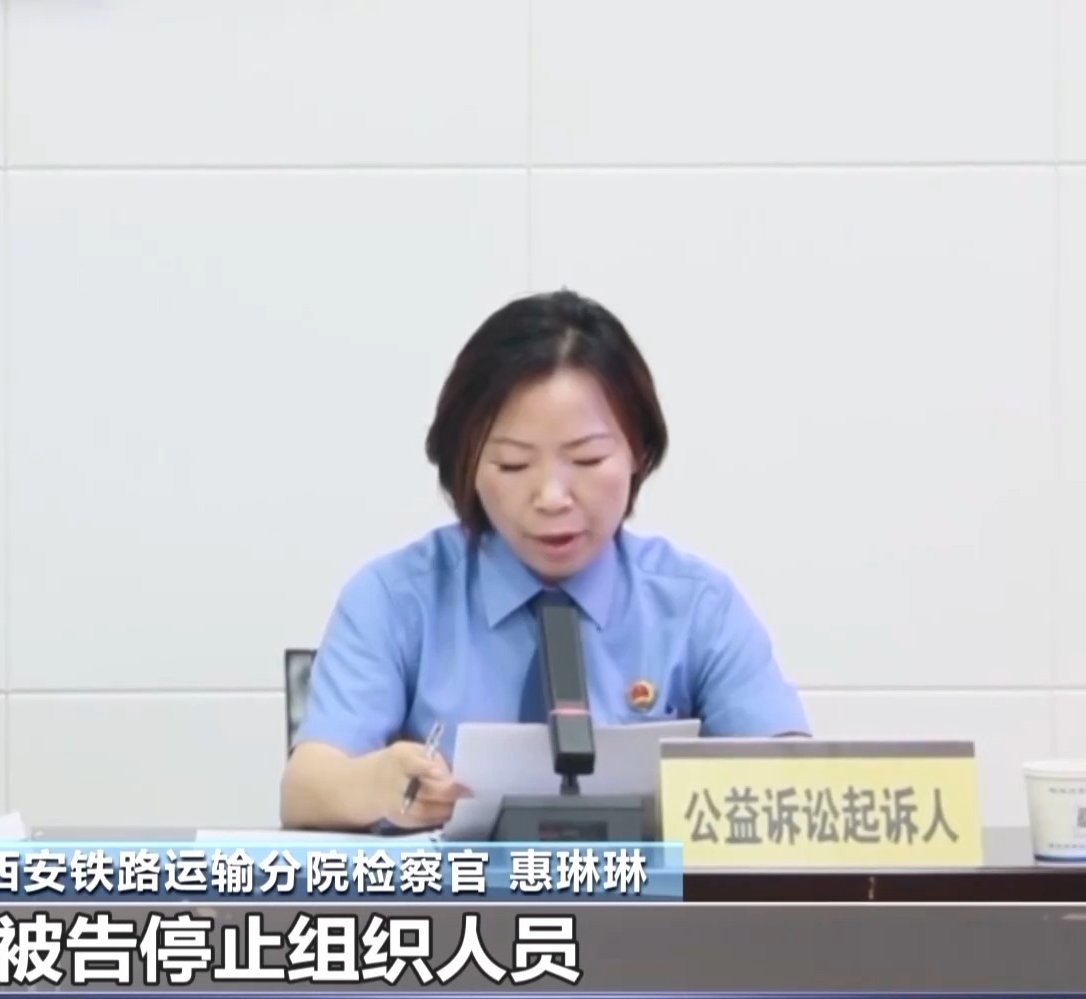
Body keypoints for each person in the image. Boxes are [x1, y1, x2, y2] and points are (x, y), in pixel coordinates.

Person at [279, 290, 807, 832]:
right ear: (464, 465)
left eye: (588, 459)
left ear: (638, 453)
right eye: (513, 464)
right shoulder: (395, 598)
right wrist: (377, 785)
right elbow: (305, 789)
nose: (552, 497)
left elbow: (793, 787)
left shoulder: (697, 606)